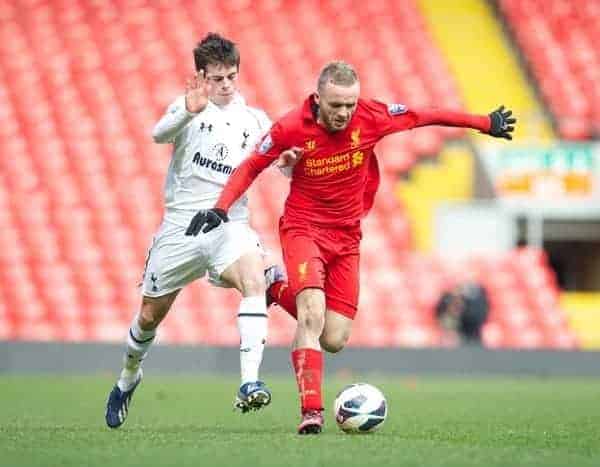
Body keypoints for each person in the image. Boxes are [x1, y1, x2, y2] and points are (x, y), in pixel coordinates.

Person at [185, 61, 516, 434]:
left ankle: (274, 286)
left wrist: (484, 123)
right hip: (303, 228)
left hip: (346, 237)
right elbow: (251, 166)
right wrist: (220, 208)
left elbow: (426, 115)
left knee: (334, 338)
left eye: (350, 105)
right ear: (318, 98)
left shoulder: (372, 115)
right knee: (311, 315)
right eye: (336, 105)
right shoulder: (291, 126)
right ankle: (312, 411)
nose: (344, 113)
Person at [105, 33, 291, 428]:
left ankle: (250, 382)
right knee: (149, 316)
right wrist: (188, 111)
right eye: (217, 78)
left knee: (253, 278)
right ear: (201, 76)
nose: (225, 85)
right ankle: (128, 378)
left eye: (231, 77)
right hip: (180, 228)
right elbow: (158, 134)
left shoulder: (256, 120)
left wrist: (289, 160)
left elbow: (284, 165)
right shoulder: (190, 108)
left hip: (229, 224)